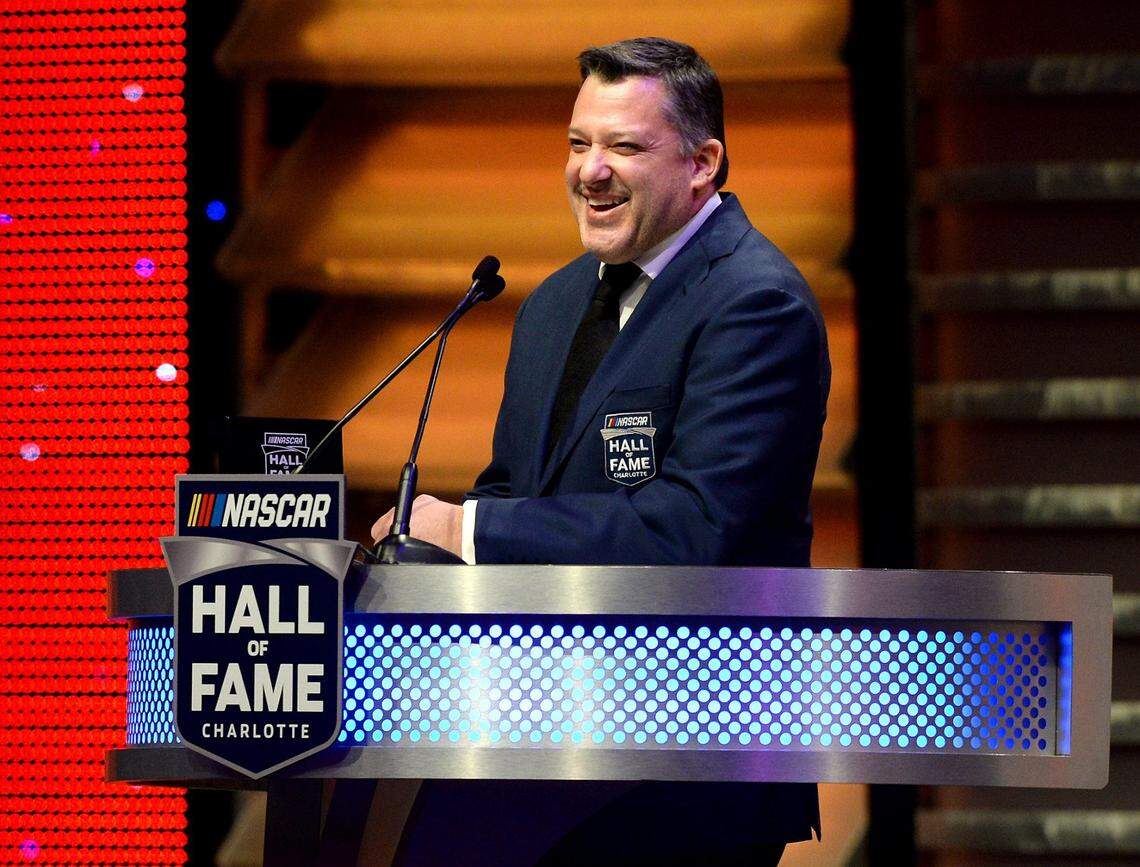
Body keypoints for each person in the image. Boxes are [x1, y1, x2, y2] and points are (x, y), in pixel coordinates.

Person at [374, 36, 829, 867]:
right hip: (531, 761)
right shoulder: (551, 303)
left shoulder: (757, 305)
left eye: (624, 145)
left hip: (687, 775)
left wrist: (471, 531)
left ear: (703, 163)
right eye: (579, 143)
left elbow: (697, 532)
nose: (591, 170)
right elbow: (514, 491)